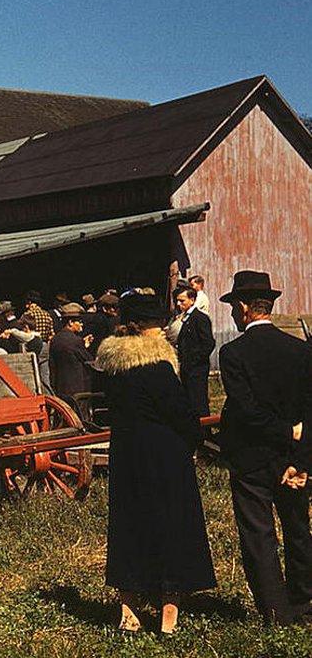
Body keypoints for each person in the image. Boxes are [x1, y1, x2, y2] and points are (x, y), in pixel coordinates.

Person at [96, 293, 216, 634]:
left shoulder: (114, 367)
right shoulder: (159, 367)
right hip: (165, 457)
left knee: (129, 527)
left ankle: (128, 612)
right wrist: (196, 437)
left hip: (127, 454)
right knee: (171, 527)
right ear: (149, 329)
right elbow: (180, 414)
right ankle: (168, 617)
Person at [218, 270, 312, 626]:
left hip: (252, 458)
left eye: (232, 307)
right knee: (298, 528)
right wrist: (302, 457)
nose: (230, 314)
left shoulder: (232, 353)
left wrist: (284, 432)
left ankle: (276, 611)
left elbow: (246, 410)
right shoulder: (301, 351)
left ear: (243, 307)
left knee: (258, 534)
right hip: (294, 459)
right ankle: (304, 602)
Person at [175, 287, 215, 417]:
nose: (178, 304)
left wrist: (194, 360)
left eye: (182, 301)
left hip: (197, 368)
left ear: (192, 300)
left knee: (198, 400)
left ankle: (204, 430)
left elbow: (208, 343)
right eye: (177, 301)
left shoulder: (200, 318)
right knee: (189, 400)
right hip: (187, 367)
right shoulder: (186, 318)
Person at [48, 303, 94, 404]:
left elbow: (53, 365)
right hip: (77, 389)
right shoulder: (76, 341)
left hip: (60, 388)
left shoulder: (55, 340)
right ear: (70, 322)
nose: (82, 324)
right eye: (80, 322)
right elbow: (88, 360)